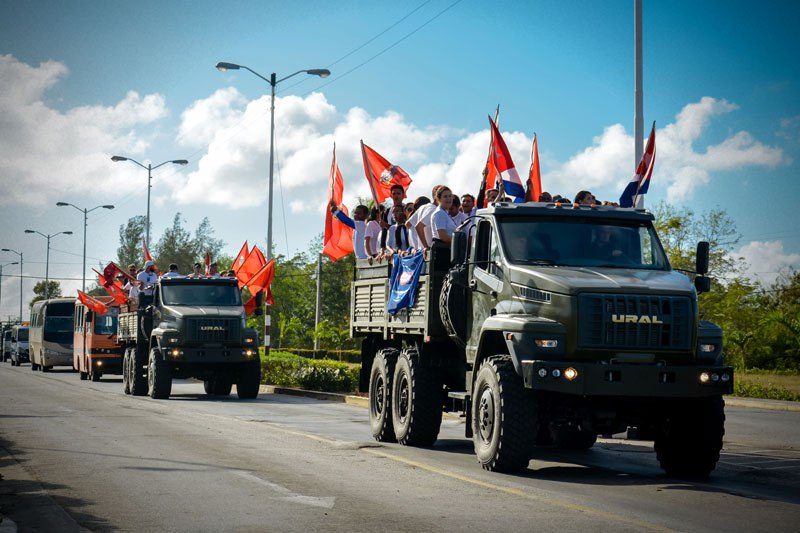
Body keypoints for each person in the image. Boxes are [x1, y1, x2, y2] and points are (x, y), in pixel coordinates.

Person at [411, 185, 445, 251]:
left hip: (421, 250)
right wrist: (426, 246)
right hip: (429, 251)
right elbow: (418, 226)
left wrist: (415, 246)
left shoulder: (423, 206)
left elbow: (409, 224)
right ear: (435, 196)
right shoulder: (433, 210)